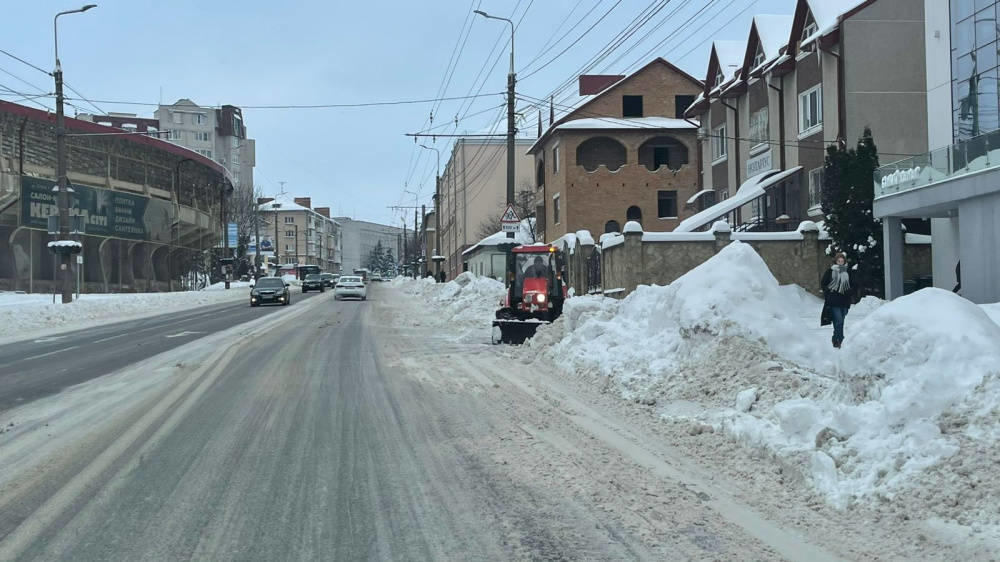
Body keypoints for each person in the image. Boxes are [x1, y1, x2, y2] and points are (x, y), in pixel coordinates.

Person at [821, 252, 856, 348]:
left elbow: (854, 284)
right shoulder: (830, 271)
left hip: (845, 300)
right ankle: (840, 339)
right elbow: (823, 283)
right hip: (833, 300)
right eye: (838, 261)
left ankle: (835, 337)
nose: (840, 262)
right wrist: (828, 292)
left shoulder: (848, 272)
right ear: (835, 261)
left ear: (844, 261)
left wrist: (850, 291)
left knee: (840, 321)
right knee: (839, 320)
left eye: (842, 261)